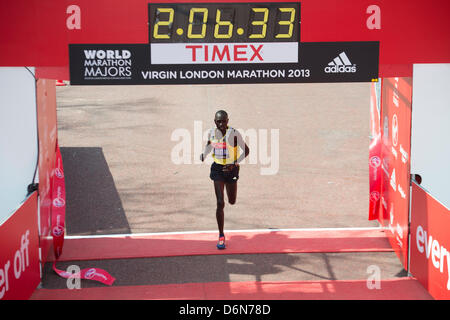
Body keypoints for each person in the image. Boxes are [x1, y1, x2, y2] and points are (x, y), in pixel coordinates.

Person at [200, 110, 249, 249]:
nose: (221, 124)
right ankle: (221, 235)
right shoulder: (211, 133)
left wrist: (235, 163)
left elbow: (246, 150)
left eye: (224, 121)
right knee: (220, 203)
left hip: (231, 169)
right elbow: (209, 145)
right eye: (218, 121)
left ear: (228, 121)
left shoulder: (233, 134)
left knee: (231, 201)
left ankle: (230, 188)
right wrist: (204, 154)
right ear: (215, 121)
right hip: (217, 170)